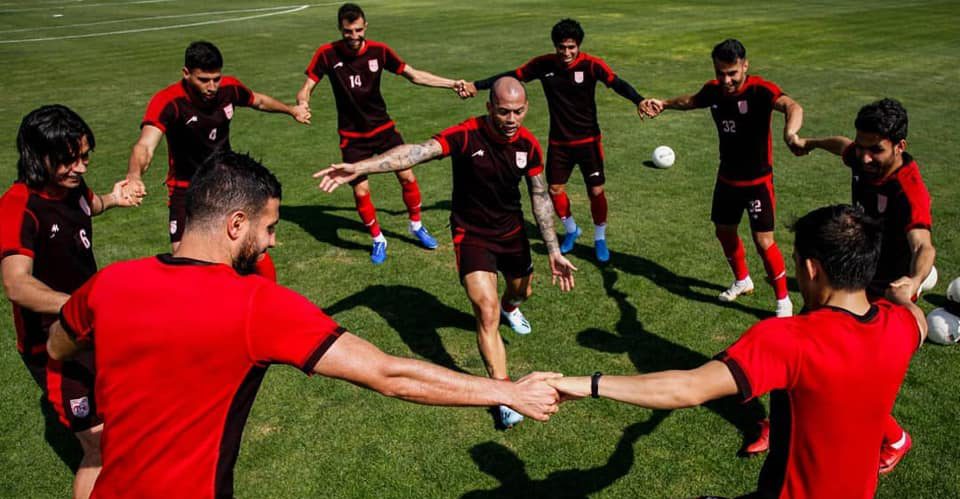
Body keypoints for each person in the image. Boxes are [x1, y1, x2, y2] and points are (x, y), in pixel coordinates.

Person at [46, 151, 561, 499]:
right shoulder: (255, 305)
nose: (271, 243)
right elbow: (388, 374)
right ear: (235, 224)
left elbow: (58, 344)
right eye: (269, 228)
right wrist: (507, 392)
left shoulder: (110, 284)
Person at [549, 204, 927, 499]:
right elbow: (919, 320)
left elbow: (688, 388)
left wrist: (588, 384)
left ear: (810, 269)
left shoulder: (790, 339)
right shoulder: (901, 327)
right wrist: (903, 295)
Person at [316, 77, 577, 430]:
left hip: (512, 233)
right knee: (485, 312)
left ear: (526, 108)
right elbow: (416, 152)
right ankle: (503, 394)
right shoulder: (466, 134)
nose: (511, 118)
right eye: (503, 111)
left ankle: (511, 307)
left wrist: (553, 250)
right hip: (472, 235)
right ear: (489, 108)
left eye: (518, 111)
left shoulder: (529, 145)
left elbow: (540, 196)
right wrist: (361, 166)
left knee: (520, 292)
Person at [0, 105, 139, 499]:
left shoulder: (74, 188)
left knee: (121, 416)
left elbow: (88, 206)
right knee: (95, 446)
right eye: (68, 160)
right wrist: (82, 307)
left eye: (84, 156)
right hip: (52, 346)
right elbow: (16, 284)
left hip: (91, 330)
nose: (79, 167)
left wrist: (115, 197)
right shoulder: (18, 205)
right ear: (37, 156)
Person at [793, 98, 935, 473]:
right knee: (812, 335)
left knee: (853, 370)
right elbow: (843, 146)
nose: (866, 157)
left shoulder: (909, 189)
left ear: (899, 146)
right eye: (864, 146)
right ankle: (792, 417)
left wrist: (914, 281)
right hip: (855, 269)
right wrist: (809, 143)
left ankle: (895, 438)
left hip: (889, 287)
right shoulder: (860, 153)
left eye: (877, 150)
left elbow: (923, 244)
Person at [458, 19, 648, 262]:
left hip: (589, 141)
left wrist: (639, 100)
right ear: (555, 46)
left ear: (578, 45)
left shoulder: (591, 65)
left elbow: (617, 83)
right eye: (562, 47)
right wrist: (477, 85)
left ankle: (600, 238)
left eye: (571, 47)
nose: (566, 53)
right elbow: (511, 76)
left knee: (596, 191)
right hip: (559, 142)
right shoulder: (543, 64)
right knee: (555, 189)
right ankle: (571, 230)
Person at [641, 39, 804, 318]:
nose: (726, 80)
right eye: (720, 73)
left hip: (757, 182)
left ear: (745, 66)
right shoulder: (714, 91)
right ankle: (742, 280)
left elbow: (793, 106)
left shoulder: (760, 90)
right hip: (727, 179)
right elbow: (691, 101)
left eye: (732, 73)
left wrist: (790, 134)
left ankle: (783, 301)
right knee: (724, 231)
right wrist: (665, 104)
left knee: (764, 241)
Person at [296, 3, 466, 264]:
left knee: (407, 175)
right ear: (340, 29)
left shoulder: (379, 51)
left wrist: (452, 83)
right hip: (352, 136)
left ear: (366, 27)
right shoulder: (327, 54)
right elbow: (307, 86)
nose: (353, 36)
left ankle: (416, 225)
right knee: (361, 192)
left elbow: (414, 75)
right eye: (347, 31)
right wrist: (303, 103)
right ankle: (378, 239)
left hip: (383, 128)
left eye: (358, 30)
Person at [125, 40, 309, 280]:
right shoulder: (169, 101)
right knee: (185, 260)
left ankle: (267, 300)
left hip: (227, 183)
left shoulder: (229, 89)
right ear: (186, 73)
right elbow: (145, 145)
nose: (212, 86)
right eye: (204, 80)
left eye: (216, 78)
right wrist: (133, 175)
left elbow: (258, 101)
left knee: (253, 246)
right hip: (186, 189)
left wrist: (291, 110)